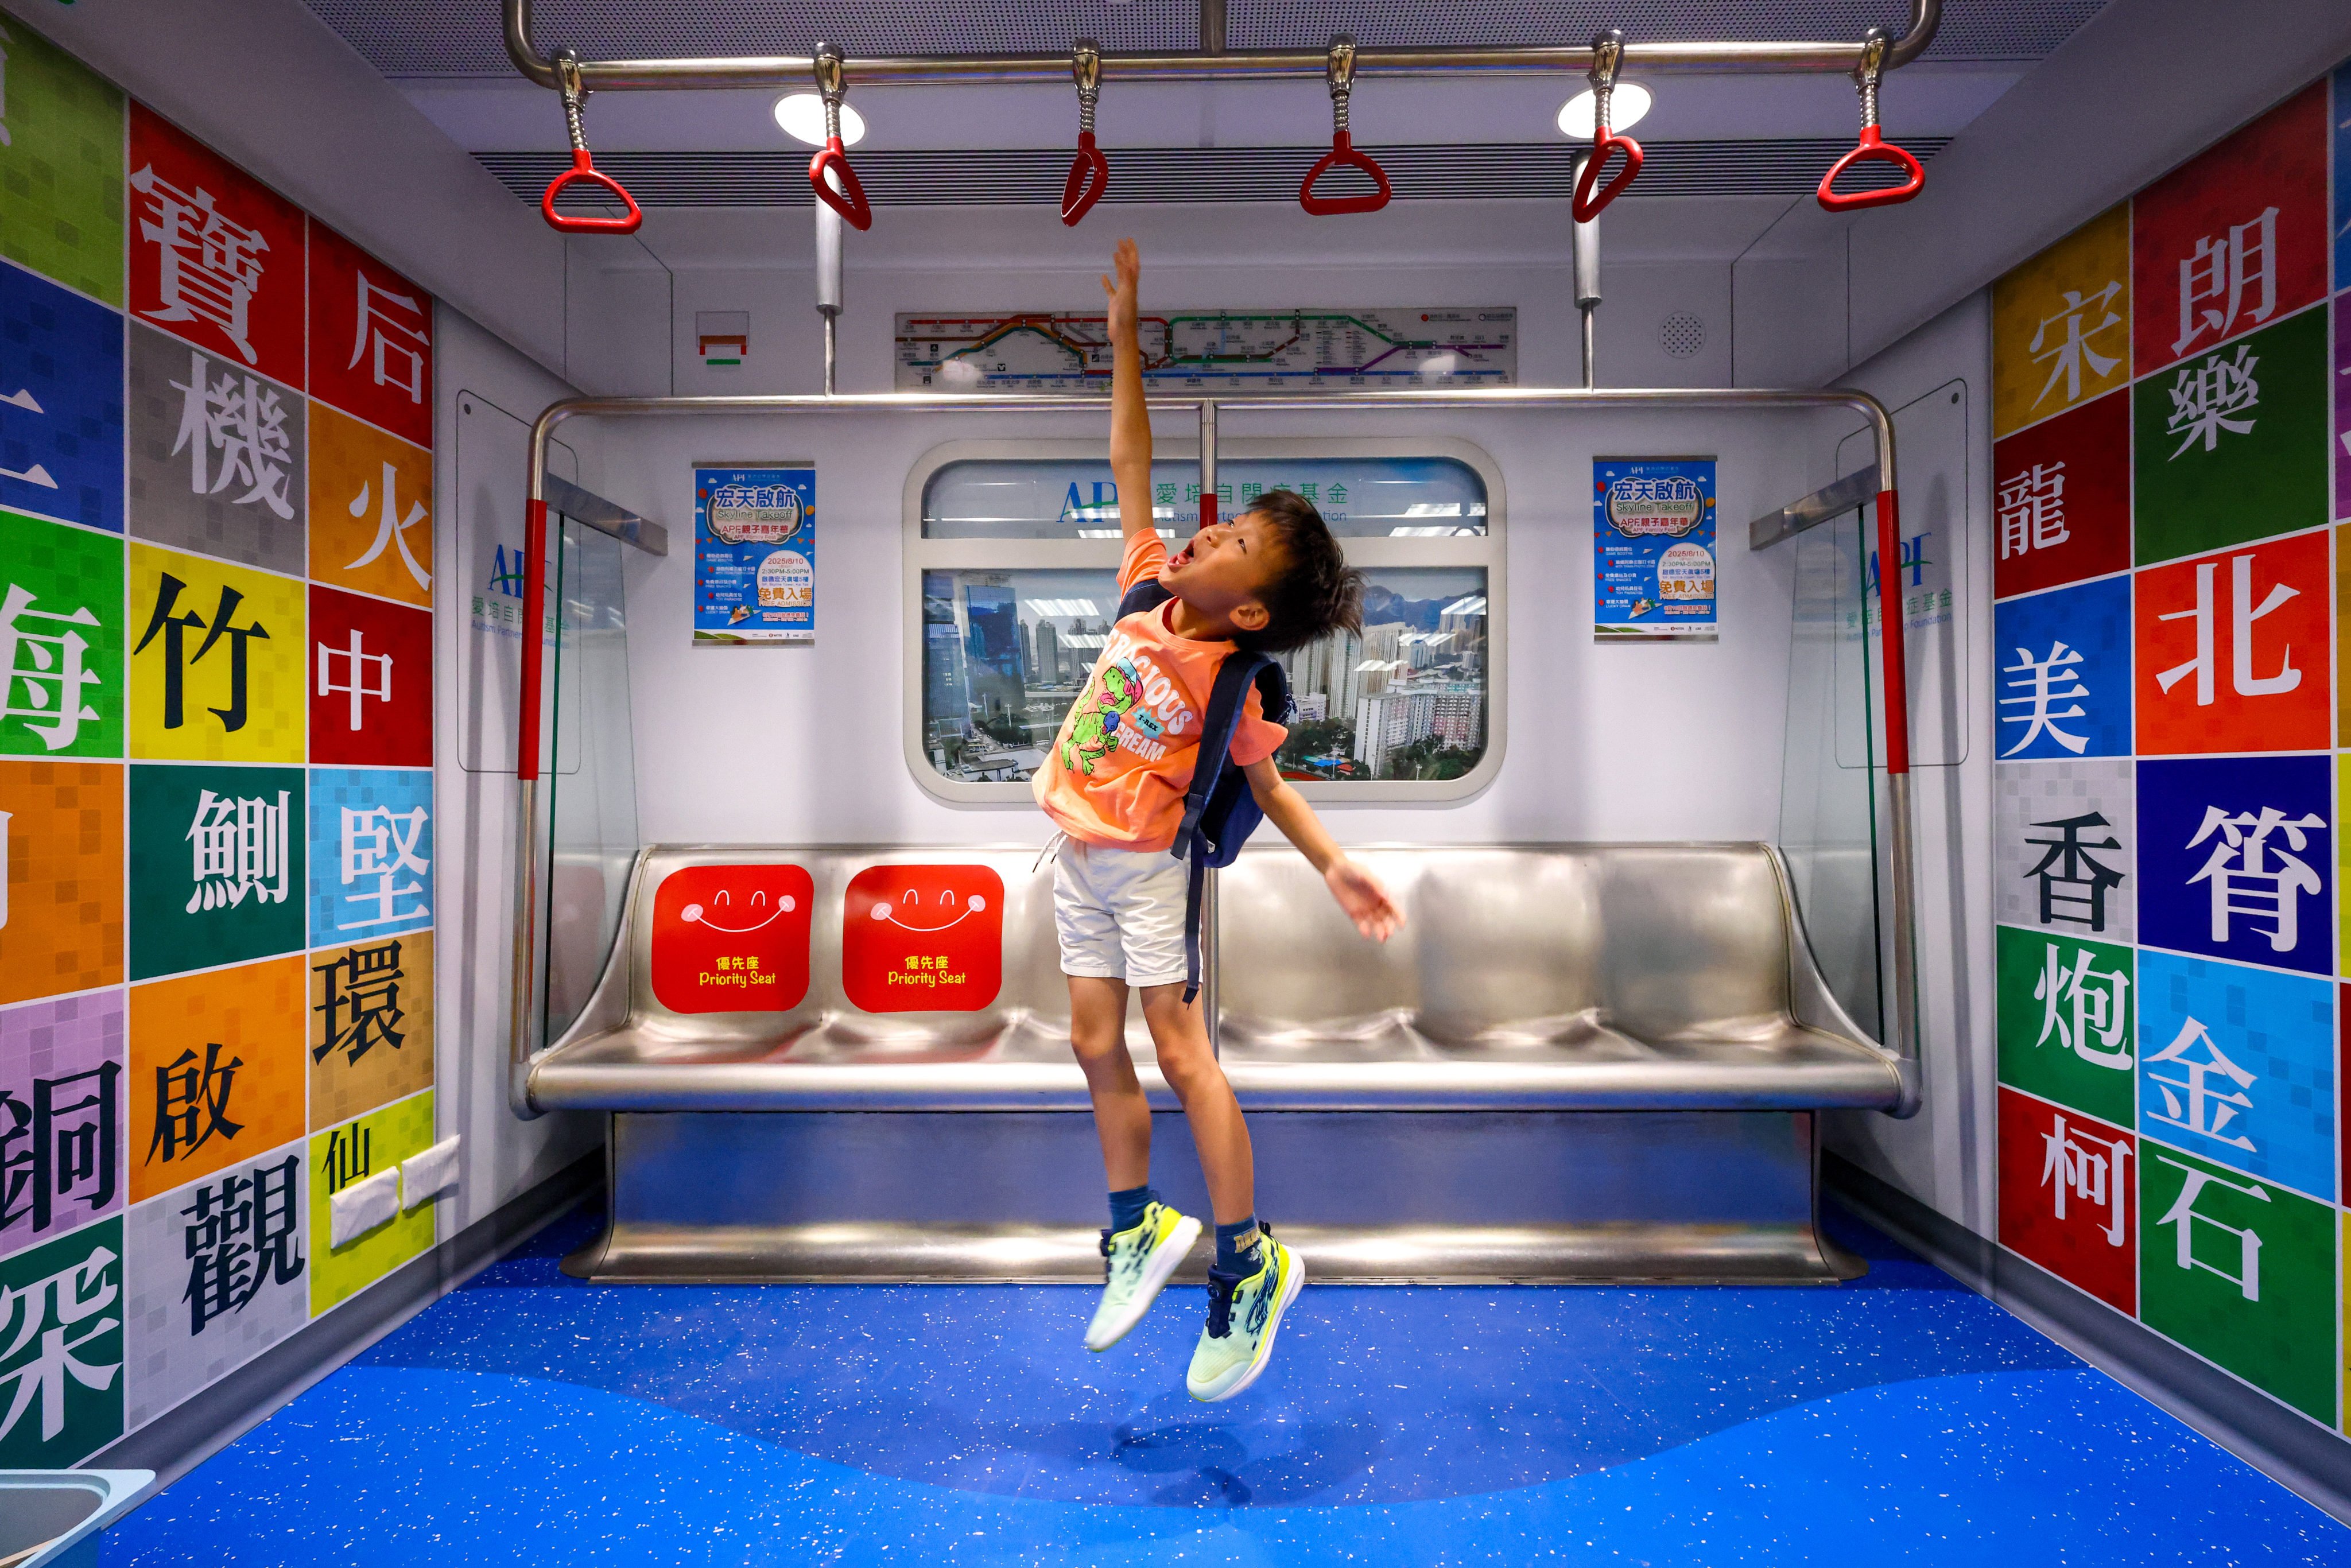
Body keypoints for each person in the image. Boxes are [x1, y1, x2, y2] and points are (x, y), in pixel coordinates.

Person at [1033, 238, 1404, 1402]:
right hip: (1074, 856)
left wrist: (1336, 867)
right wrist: (1124, 336)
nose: (1207, 537)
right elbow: (1128, 456)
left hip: (1150, 872)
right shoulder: (1145, 588)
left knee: (1182, 1054)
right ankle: (1135, 1226)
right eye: (1227, 523)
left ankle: (1248, 1260)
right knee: (1091, 1044)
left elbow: (1273, 787)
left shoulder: (1231, 681)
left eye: (1234, 545)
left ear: (1246, 609)